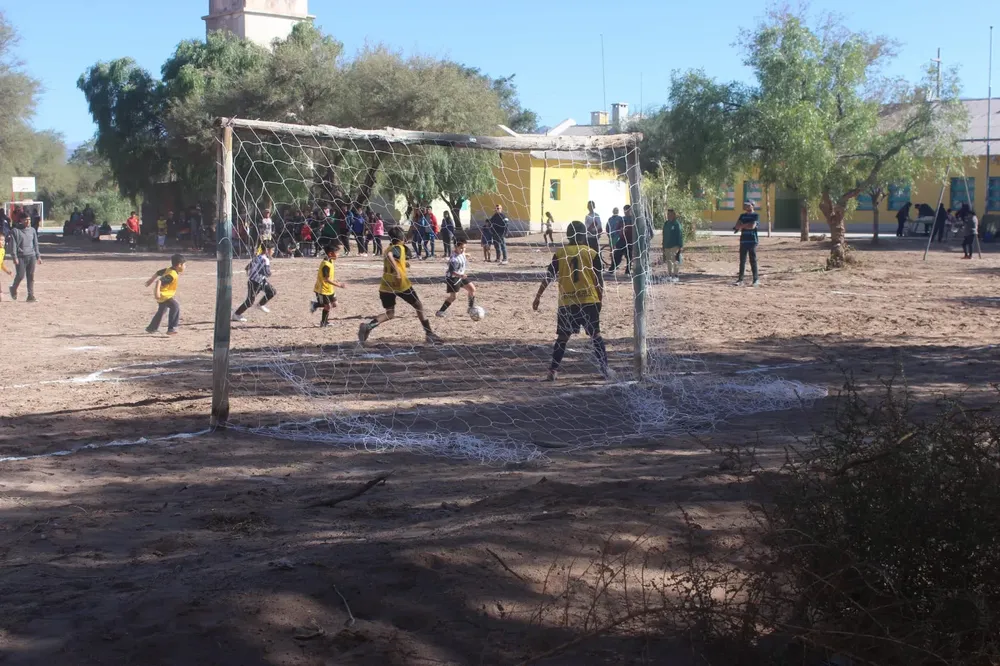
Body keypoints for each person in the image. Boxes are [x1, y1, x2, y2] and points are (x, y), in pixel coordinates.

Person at [532, 220, 612, 381]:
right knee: (595, 335)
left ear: (568, 235)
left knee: (562, 337)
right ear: (584, 235)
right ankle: (605, 370)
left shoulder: (560, 253)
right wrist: (600, 298)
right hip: (589, 300)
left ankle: (552, 371)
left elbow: (549, 276)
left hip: (567, 302)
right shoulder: (591, 253)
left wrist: (538, 296)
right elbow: (598, 280)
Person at [358, 226, 441, 345]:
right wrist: (397, 271)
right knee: (418, 306)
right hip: (400, 284)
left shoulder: (389, 247)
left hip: (386, 285)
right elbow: (390, 256)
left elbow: (391, 256)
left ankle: (368, 326)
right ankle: (429, 334)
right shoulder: (398, 248)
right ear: (401, 237)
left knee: (390, 313)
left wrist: (404, 263)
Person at [232, 242, 277, 322]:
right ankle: (236, 314)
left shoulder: (257, 257)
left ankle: (260, 304)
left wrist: (250, 273)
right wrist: (271, 273)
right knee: (249, 301)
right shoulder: (265, 260)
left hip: (260, 281)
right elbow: (267, 273)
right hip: (254, 283)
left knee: (272, 291)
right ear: (267, 250)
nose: (273, 252)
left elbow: (247, 267)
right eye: (272, 250)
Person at [145, 254, 186, 335]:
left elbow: (158, 272)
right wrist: (157, 293)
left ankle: (151, 328)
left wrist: (151, 279)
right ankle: (172, 329)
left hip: (163, 295)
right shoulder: (172, 274)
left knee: (162, 310)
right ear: (179, 265)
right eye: (184, 264)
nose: (185, 267)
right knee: (175, 306)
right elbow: (159, 281)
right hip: (164, 295)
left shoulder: (169, 269)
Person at [436, 239, 477, 317]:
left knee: (472, 289)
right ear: (456, 247)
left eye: (464, 248)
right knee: (453, 297)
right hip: (453, 278)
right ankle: (440, 312)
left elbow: (463, 253)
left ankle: (470, 308)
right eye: (461, 248)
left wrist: (466, 254)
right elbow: (452, 272)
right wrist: (461, 276)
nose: (463, 250)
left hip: (461, 276)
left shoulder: (461, 253)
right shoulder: (454, 259)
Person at [309, 241, 345, 327]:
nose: (338, 255)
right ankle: (323, 322)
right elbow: (327, 279)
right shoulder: (326, 264)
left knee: (335, 304)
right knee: (328, 306)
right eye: (336, 253)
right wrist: (339, 285)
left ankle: (315, 304)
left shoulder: (330, 261)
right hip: (322, 290)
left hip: (329, 289)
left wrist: (335, 281)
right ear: (330, 253)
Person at [9, 218, 41, 302]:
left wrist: (38, 256)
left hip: (31, 256)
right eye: (26, 220)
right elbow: (13, 245)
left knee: (30, 276)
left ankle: (30, 296)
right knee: (20, 275)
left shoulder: (32, 230)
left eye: (29, 219)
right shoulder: (15, 231)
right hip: (20, 256)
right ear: (21, 220)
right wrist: (14, 257)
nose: (28, 221)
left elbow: (35, 244)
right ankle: (13, 288)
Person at [734, 201, 760, 287]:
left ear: (752, 206)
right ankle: (740, 280)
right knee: (742, 261)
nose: (746, 206)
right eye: (745, 205)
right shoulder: (742, 216)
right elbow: (737, 226)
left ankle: (755, 279)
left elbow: (752, 226)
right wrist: (746, 225)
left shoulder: (755, 215)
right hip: (743, 240)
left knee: (753, 260)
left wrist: (742, 225)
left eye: (748, 205)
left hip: (752, 240)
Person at [662, 208, 684, 283]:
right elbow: (664, 235)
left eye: (671, 214)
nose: (669, 216)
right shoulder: (666, 223)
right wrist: (663, 245)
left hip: (675, 245)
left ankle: (676, 275)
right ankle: (670, 275)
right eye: (668, 214)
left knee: (675, 260)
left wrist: (680, 246)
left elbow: (680, 235)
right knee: (668, 261)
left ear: (674, 215)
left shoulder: (677, 224)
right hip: (667, 245)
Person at [606, 207, 625, 272]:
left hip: (617, 236)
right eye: (614, 210)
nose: (615, 211)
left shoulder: (620, 218)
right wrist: (608, 234)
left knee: (616, 250)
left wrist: (620, 233)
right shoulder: (610, 219)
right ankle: (613, 263)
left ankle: (615, 264)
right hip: (611, 236)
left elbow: (622, 226)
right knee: (612, 250)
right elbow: (607, 227)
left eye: (616, 210)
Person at [0, 235, 13, 302]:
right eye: (1, 240)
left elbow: (1, 264)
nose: (3, 242)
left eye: (4, 240)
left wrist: (7, 271)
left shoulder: (3, 250)